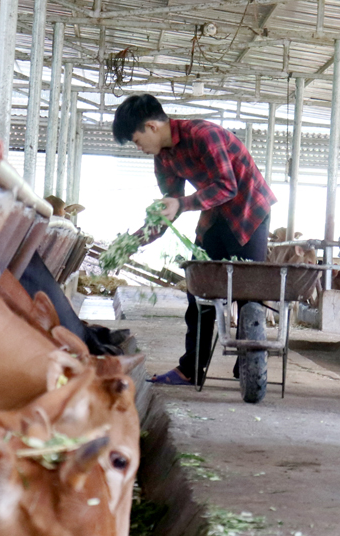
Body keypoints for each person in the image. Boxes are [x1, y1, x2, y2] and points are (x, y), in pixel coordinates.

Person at [112, 94, 275, 385]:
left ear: (151, 127)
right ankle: (191, 370)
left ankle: (249, 368)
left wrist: (182, 204)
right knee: (198, 290)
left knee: (249, 292)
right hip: (213, 216)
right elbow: (169, 208)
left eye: (137, 141)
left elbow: (227, 186)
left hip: (249, 211)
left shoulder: (204, 135)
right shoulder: (163, 158)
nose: (140, 149)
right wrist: (133, 243)